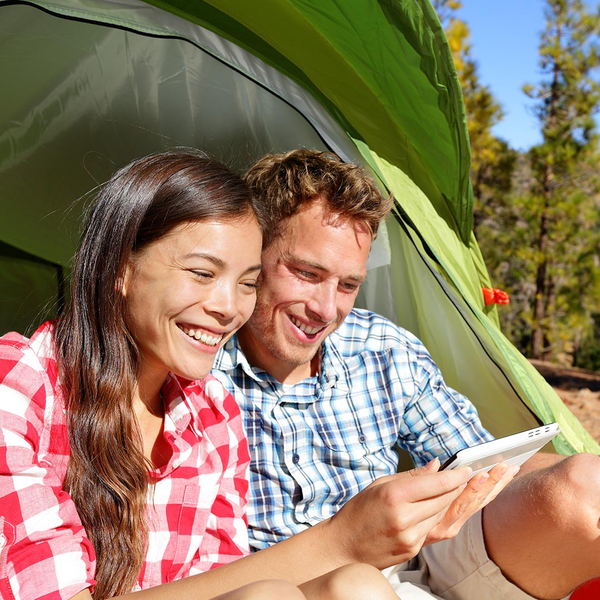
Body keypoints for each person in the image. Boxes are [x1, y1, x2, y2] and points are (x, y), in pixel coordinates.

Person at [0, 150, 406, 600]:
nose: (229, 307)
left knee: (358, 585)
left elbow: (216, 580)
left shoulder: (211, 411)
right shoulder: (21, 387)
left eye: (247, 283)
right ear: (121, 268)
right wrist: (337, 541)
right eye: (201, 273)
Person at [212, 148, 600, 600]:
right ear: (251, 254)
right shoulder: (197, 365)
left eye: (349, 285)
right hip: (275, 584)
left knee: (585, 486)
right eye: (305, 272)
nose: (325, 309)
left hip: (412, 561)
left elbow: (479, 458)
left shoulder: (382, 348)